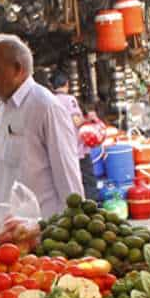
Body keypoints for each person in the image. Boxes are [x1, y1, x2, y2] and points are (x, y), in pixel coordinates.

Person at [0, 34, 83, 217]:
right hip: (7, 232)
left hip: (42, 233)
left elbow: (68, 181)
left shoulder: (46, 107)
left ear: (17, 69)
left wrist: (73, 230)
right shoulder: (1, 105)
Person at [50, 71, 98, 201]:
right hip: (77, 149)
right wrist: (89, 118)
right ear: (67, 84)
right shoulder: (69, 99)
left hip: (62, 149)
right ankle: (91, 209)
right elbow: (76, 122)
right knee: (87, 180)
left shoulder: (49, 101)